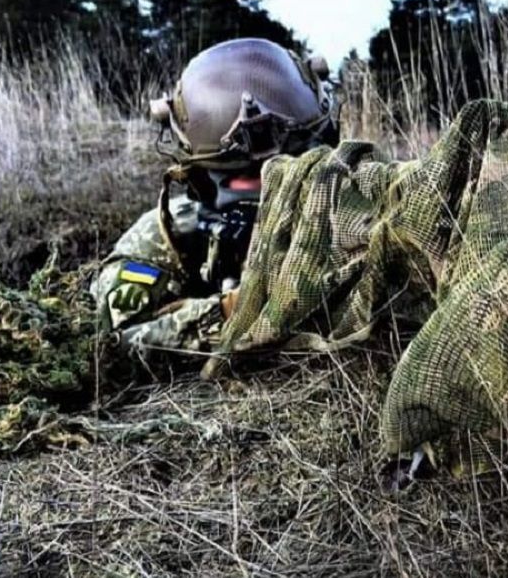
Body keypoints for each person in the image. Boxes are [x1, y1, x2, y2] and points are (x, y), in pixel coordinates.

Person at [91, 38, 337, 353]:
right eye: (242, 177)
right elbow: (115, 339)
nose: (263, 187)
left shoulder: (348, 207)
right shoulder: (169, 233)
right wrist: (232, 309)